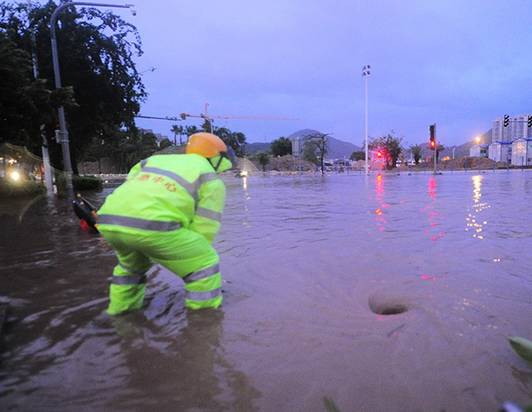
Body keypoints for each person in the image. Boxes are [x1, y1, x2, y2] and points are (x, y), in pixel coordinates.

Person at [96, 132, 234, 315]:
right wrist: (182, 255)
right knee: (204, 263)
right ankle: (204, 320)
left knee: (130, 269)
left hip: (109, 220)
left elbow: (132, 185)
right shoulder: (210, 178)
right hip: (153, 225)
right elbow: (205, 229)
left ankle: (120, 314)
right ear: (216, 157)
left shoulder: (155, 161)